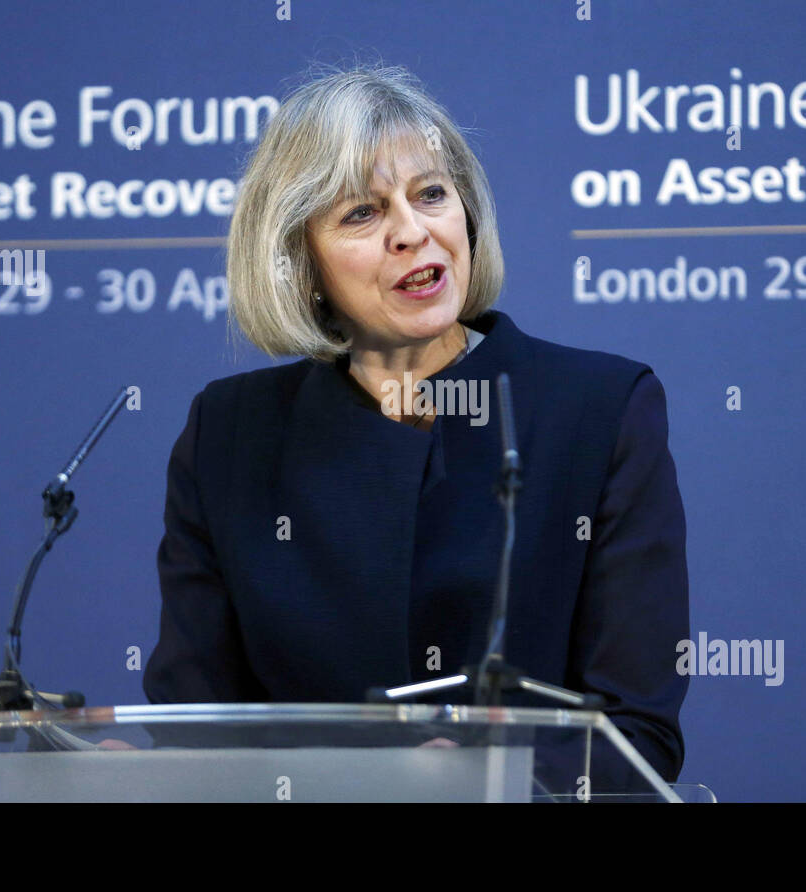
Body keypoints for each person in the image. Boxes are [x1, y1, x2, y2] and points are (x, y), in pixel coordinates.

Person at [143, 63, 689, 795]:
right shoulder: (231, 435)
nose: (412, 232)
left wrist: (476, 783)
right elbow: (196, 721)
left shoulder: (598, 409)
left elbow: (637, 735)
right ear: (301, 264)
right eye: (361, 214)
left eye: (431, 193)